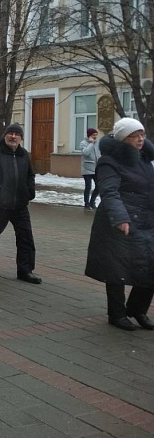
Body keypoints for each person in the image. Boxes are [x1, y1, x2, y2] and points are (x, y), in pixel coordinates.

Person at [85, 118, 154, 331]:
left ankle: (138, 309)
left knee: (151, 266)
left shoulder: (143, 158)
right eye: (135, 135)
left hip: (146, 220)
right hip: (119, 222)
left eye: (142, 134)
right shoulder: (109, 161)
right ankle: (116, 314)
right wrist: (121, 218)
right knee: (116, 269)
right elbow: (109, 191)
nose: (141, 139)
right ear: (124, 138)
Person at [0, 123, 41, 284]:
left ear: (21, 138)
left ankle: (25, 271)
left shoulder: (24, 154)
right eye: (10, 133)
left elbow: (30, 175)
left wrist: (29, 192)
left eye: (17, 134)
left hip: (20, 205)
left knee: (26, 238)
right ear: (5, 135)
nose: (13, 136)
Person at [80, 128, 100, 212]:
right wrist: (91, 144)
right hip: (87, 168)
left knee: (99, 186)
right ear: (89, 135)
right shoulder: (83, 143)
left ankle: (92, 202)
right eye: (93, 135)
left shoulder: (97, 143)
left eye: (96, 135)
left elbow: (99, 153)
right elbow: (86, 153)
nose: (95, 137)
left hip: (96, 168)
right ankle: (86, 204)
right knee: (88, 187)